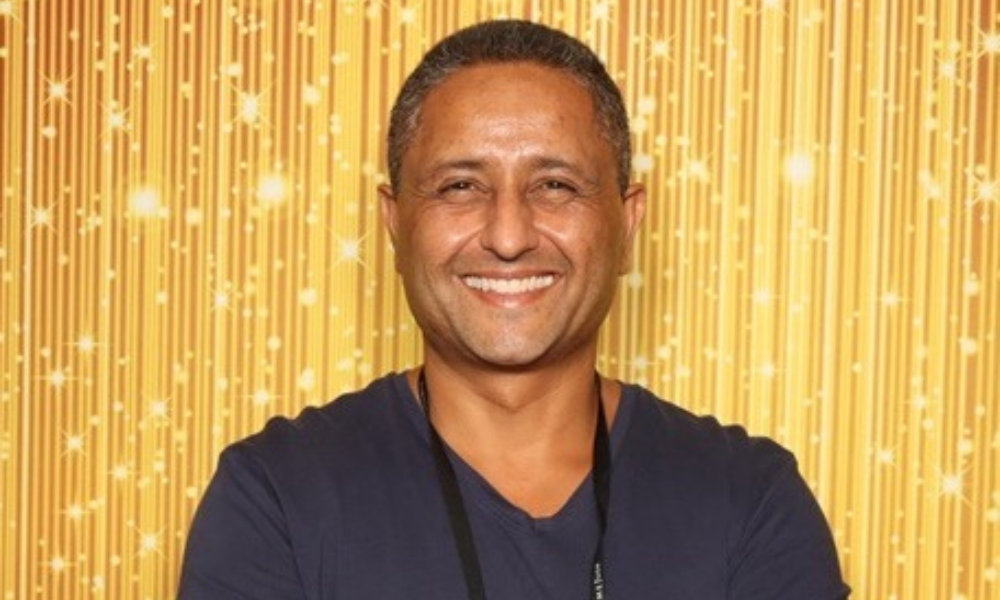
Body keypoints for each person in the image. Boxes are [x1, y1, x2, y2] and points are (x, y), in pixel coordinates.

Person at [177, 20, 849, 600]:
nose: (507, 236)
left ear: (626, 224)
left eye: (555, 185)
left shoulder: (749, 501)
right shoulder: (276, 498)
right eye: (459, 186)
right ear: (395, 224)